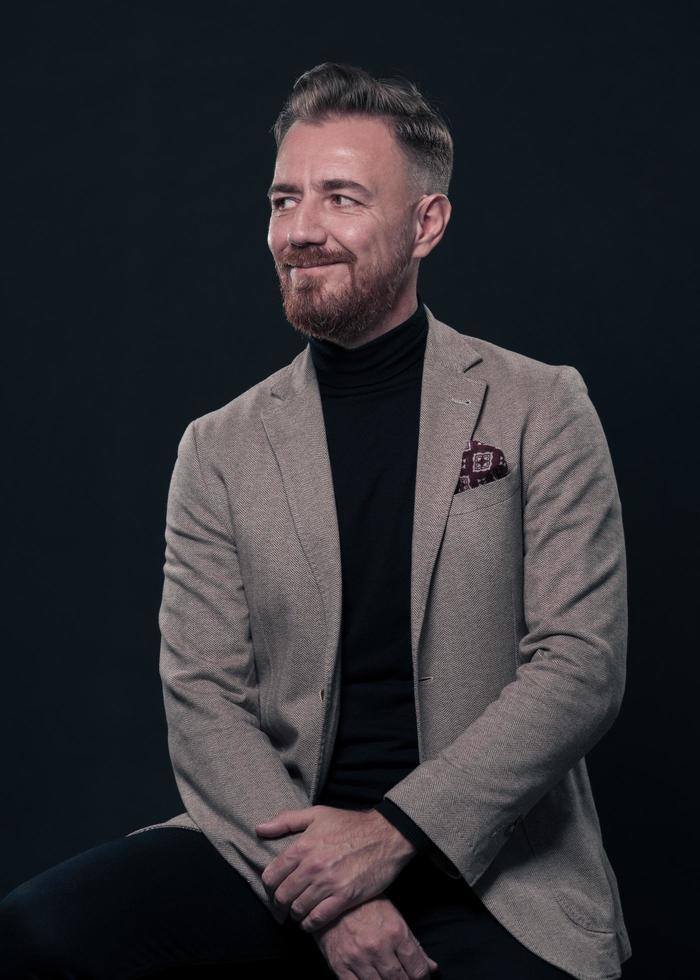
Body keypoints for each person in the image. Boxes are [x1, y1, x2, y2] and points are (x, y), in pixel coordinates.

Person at [0, 61, 632, 980]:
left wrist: (390, 838)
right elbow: (205, 700)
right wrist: (324, 892)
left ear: (427, 224)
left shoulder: (541, 406)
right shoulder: (216, 448)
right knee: (36, 934)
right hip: (273, 845)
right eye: (284, 199)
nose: (300, 231)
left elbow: (581, 666)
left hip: (488, 864)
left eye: (339, 198)